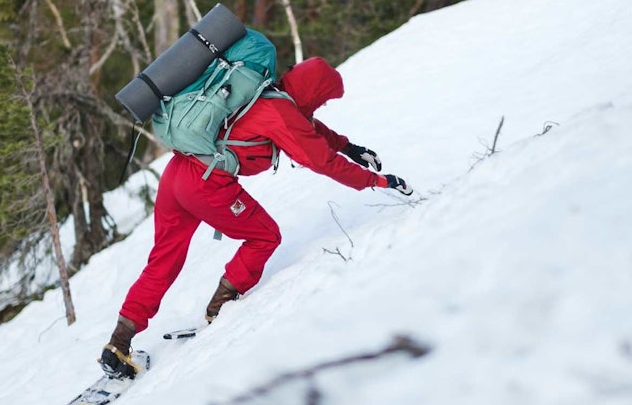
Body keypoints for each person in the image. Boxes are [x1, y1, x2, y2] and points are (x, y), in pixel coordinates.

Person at [100, 57, 414, 379]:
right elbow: (321, 160)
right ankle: (220, 310)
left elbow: (310, 129)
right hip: (205, 184)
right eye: (320, 100)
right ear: (313, 93)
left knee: (162, 261)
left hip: (178, 173)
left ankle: (118, 344)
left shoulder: (263, 97)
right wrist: (377, 181)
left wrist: (350, 147)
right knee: (265, 236)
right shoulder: (281, 112)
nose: (318, 107)